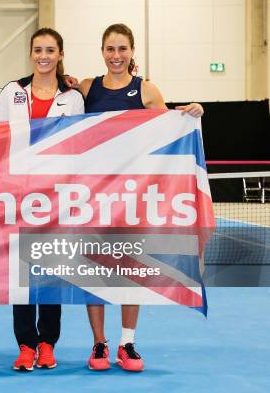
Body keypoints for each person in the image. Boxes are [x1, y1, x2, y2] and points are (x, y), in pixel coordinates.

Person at [78, 23, 203, 373]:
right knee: (94, 271)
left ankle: (126, 342)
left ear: (131, 51)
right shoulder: (87, 88)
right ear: (101, 51)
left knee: (129, 270)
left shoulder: (146, 90)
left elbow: (170, 127)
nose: (116, 56)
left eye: (122, 49)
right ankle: (99, 343)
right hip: (94, 195)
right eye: (110, 49)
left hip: (133, 196)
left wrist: (191, 114)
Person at [0, 28, 85, 371]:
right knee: (22, 274)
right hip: (18, 194)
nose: (43, 55)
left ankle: (47, 343)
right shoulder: (12, 92)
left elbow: (77, 144)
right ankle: (25, 344)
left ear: (60, 54)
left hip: (56, 196)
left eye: (50, 50)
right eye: (38, 50)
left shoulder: (73, 97)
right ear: (31, 54)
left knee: (49, 273)